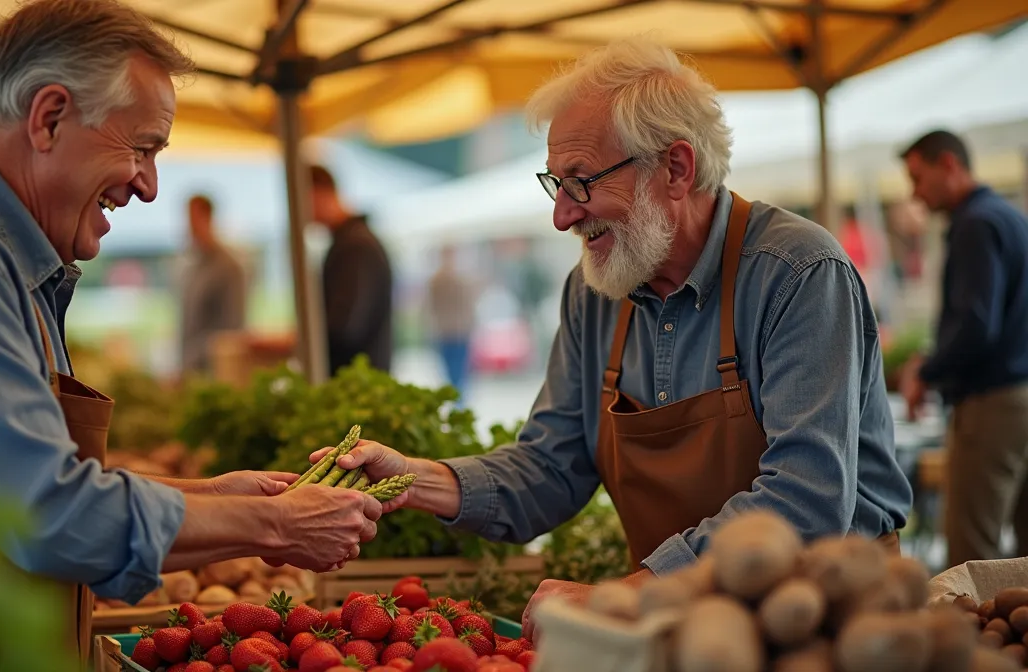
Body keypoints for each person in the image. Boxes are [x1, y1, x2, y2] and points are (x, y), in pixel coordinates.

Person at [0, 0, 381, 661]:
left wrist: (214, 496)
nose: (149, 186)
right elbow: (43, 510)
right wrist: (272, 523)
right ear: (49, 118)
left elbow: (14, 481)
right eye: (142, 148)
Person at [306, 38, 913, 638]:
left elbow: (807, 498)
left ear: (676, 168)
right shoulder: (594, 291)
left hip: (828, 618)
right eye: (556, 184)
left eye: (581, 181)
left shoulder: (798, 274)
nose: (562, 215)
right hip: (673, 620)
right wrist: (411, 479)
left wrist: (626, 594)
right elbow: (551, 466)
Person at [898, 129, 1028, 567]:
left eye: (918, 178)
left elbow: (976, 325)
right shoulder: (1008, 217)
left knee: (972, 560)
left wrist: (925, 371)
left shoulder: (975, 224)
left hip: (993, 405)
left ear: (949, 165)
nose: (915, 194)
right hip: (1017, 396)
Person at [310, 164, 393, 376]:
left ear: (318, 193)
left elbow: (344, 327)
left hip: (357, 381)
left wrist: (296, 339)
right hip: (358, 378)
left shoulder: (355, 246)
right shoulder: (351, 241)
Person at [179, 194, 246, 376]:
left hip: (215, 370)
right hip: (191, 369)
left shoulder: (228, 268)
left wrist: (194, 357)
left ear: (207, 218)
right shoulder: (193, 265)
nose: (189, 226)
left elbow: (232, 328)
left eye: (193, 219)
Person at [426, 245, 477, 399]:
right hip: (454, 331)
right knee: (457, 373)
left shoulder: (437, 279)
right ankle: (458, 402)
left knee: (453, 373)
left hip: (449, 331)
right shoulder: (457, 279)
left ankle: (457, 401)